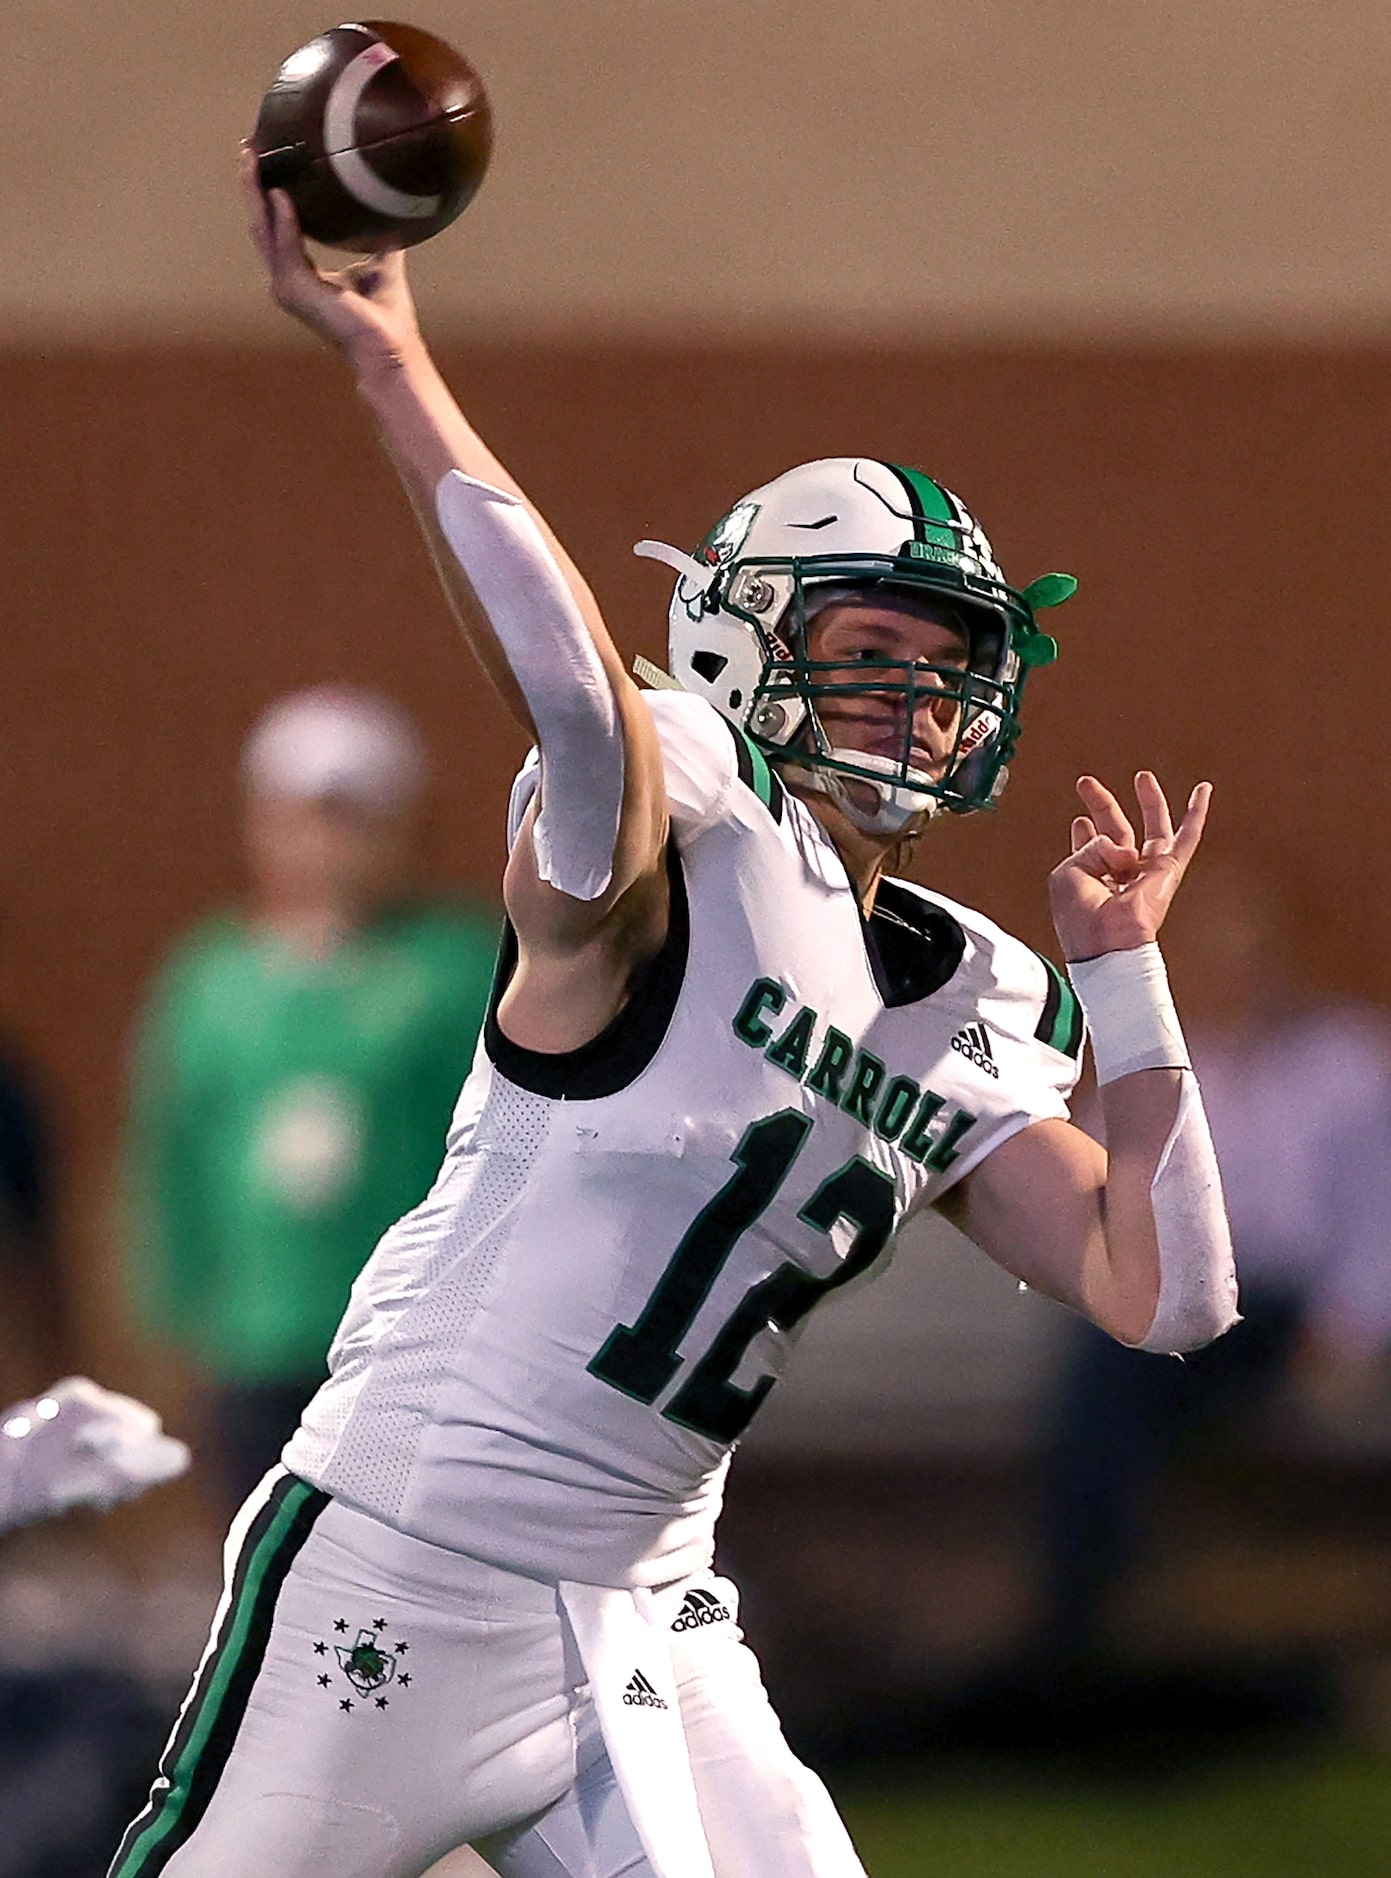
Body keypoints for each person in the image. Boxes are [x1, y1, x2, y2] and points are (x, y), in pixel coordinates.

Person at [108, 158, 1237, 1878]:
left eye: (949, 666)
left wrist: (1126, 983)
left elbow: (1167, 1293)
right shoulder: (683, 827)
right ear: (738, 647)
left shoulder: (971, 992)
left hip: (650, 1613)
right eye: (873, 648)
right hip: (404, 1556)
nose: (921, 703)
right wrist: (394, 365)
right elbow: (572, 694)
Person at [123, 686, 499, 1511]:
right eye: (301, 815)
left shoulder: (460, 970)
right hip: (255, 1342)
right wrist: (170, 1331)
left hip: (407, 1351)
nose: (324, 843)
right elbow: (171, 1157)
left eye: (351, 817)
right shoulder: (209, 979)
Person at [1036, 862, 1391, 1661]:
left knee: (1118, 1379)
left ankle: (1085, 1628)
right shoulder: (1153, 1074)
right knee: (1110, 1376)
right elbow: (1089, 1203)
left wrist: (1345, 1341)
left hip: (1290, 1318)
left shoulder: (1347, 1067)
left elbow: (1379, 1222)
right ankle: (1091, 1622)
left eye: (1250, 947)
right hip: (1167, 1315)